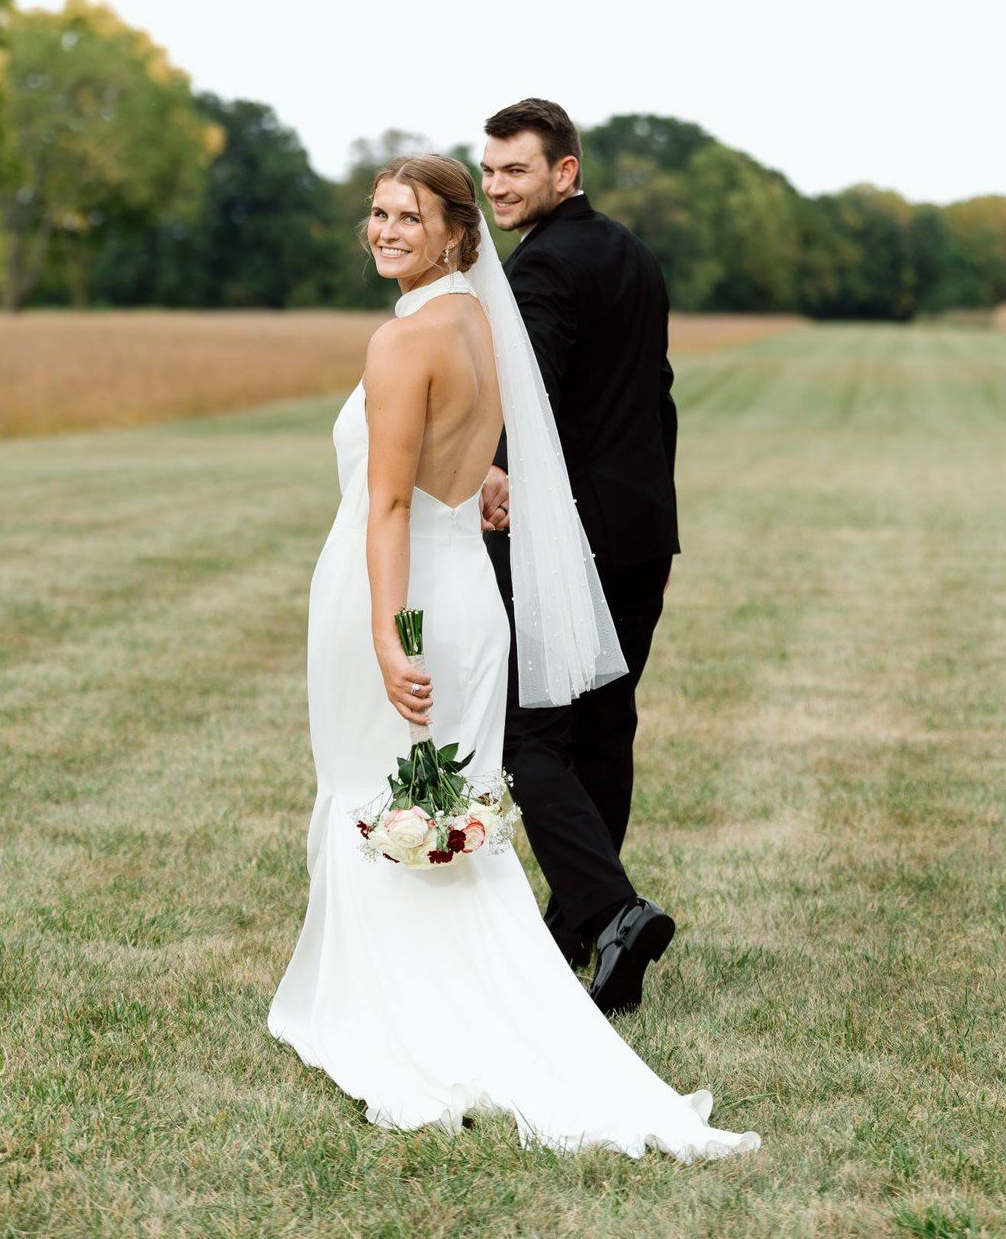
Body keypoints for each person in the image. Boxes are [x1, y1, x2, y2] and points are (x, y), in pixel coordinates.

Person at [268, 154, 758, 1160]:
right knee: (448, 808)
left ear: (456, 232)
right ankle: (465, 993)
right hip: (469, 595)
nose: (386, 229)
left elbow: (391, 502)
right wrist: (481, 490)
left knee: (383, 789)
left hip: (407, 596)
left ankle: (401, 1015)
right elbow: (479, 459)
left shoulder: (402, 342)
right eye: (377, 212)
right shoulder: (484, 327)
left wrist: (384, 629)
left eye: (410, 216)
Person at [479, 98, 679, 1012]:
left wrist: (495, 475)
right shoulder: (630, 252)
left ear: (564, 171)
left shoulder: (544, 267)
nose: (495, 187)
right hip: (643, 527)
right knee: (605, 725)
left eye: (514, 170)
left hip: (573, 538)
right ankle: (580, 932)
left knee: (529, 735)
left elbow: (532, 398)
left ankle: (608, 910)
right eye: (487, 171)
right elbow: (653, 395)